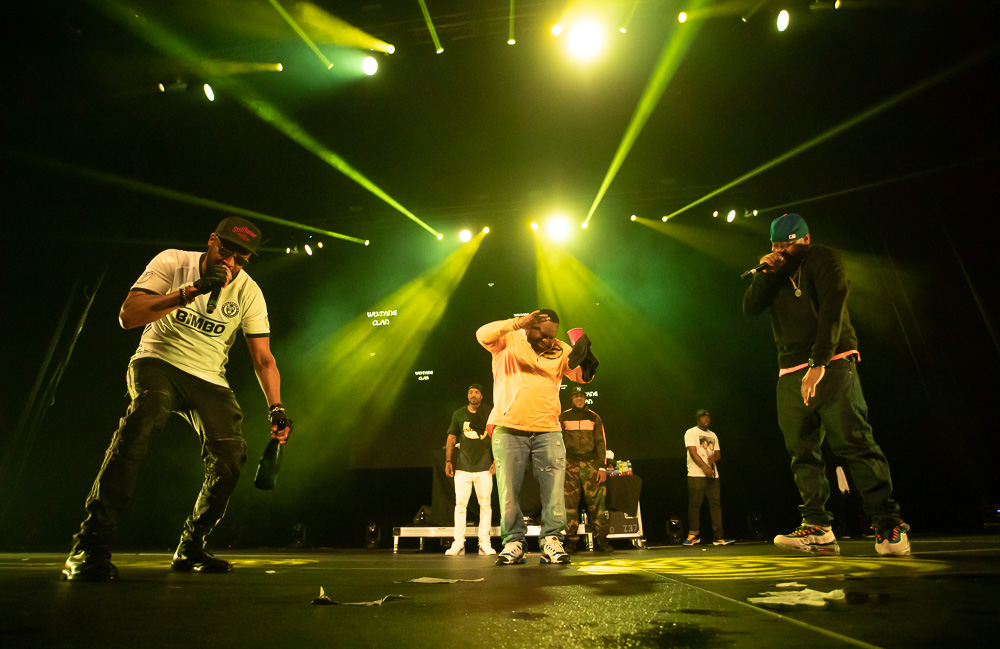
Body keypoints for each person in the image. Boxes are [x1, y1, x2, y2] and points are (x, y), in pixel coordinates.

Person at [61, 216, 293, 581]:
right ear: (212, 241)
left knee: (231, 457)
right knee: (145, 419)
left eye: (240, 259)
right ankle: (89, 546)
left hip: (208, 378)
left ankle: (191, 546)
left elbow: (264, 359)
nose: (230, 263)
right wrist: (192, 290)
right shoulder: (172, 262)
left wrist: (276, 409)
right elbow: (128, 317)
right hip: (158, 360)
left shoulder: (249, 292)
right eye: (226, 251)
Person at [743, 213, 909, 556]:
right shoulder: (774, 272)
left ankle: (888, 526)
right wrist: (765, 275)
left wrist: (819, 362)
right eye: (775, 245)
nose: (780, 250)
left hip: (832, 361)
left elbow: (833, 307)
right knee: (801, 452)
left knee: (854, 442)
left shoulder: (824, 258)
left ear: (804, 240)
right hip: (790, 370)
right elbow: (750, 308)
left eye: (786, 245)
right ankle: (817, 527)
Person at [476, 310, 593, 565]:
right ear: (531, 325)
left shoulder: (561, 349)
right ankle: (514, 543)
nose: (548, 341)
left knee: (553, 492)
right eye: (543, 334)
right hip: (509, 428)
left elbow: (583, 378)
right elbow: (481, 334)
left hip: (548, 430)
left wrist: (587, 358)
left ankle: (551, 541)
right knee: (508, 492)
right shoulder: (508, 340)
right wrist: (517, 323)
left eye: (552, 336)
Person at [444, 384, 496, 556]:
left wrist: (497, 460)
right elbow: (452, 437)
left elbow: (497, 436)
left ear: (482, 396)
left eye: (477, 392)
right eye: (470, 392)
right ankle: (458, 542)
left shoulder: (490, 412)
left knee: (485, 505)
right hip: (463, 466)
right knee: (460, 505)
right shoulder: (459, 414)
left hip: (484, 466)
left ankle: (484, 542)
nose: (473, 395)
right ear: (468, 395)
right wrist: (448, 460)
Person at [560, 386, 612, 553]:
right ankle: (571, 542)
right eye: (576, 396)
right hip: (570, 465)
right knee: (569, 505)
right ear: (572, 399)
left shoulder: (594, 417)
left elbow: (601, 443)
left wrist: (602, 467)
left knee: (598, 504)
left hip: (591, 464)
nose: (579, 399)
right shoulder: (564, 416)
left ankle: (601, 540)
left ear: (585, 398)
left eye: (581, 396)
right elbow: (558, 441)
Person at [683, 409, 734, 547]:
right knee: (695, 505)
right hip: (696, 475)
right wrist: (705, 468)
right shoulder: (691, 432)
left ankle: (719, 537)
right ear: (698, 420)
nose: (705, 418)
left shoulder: (713, 435)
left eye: (707, 416)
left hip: (713, 475)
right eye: (702, 417)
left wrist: (715, 458)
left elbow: (718, 453)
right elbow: (693, 453)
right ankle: (693, 535)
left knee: (716, 506)